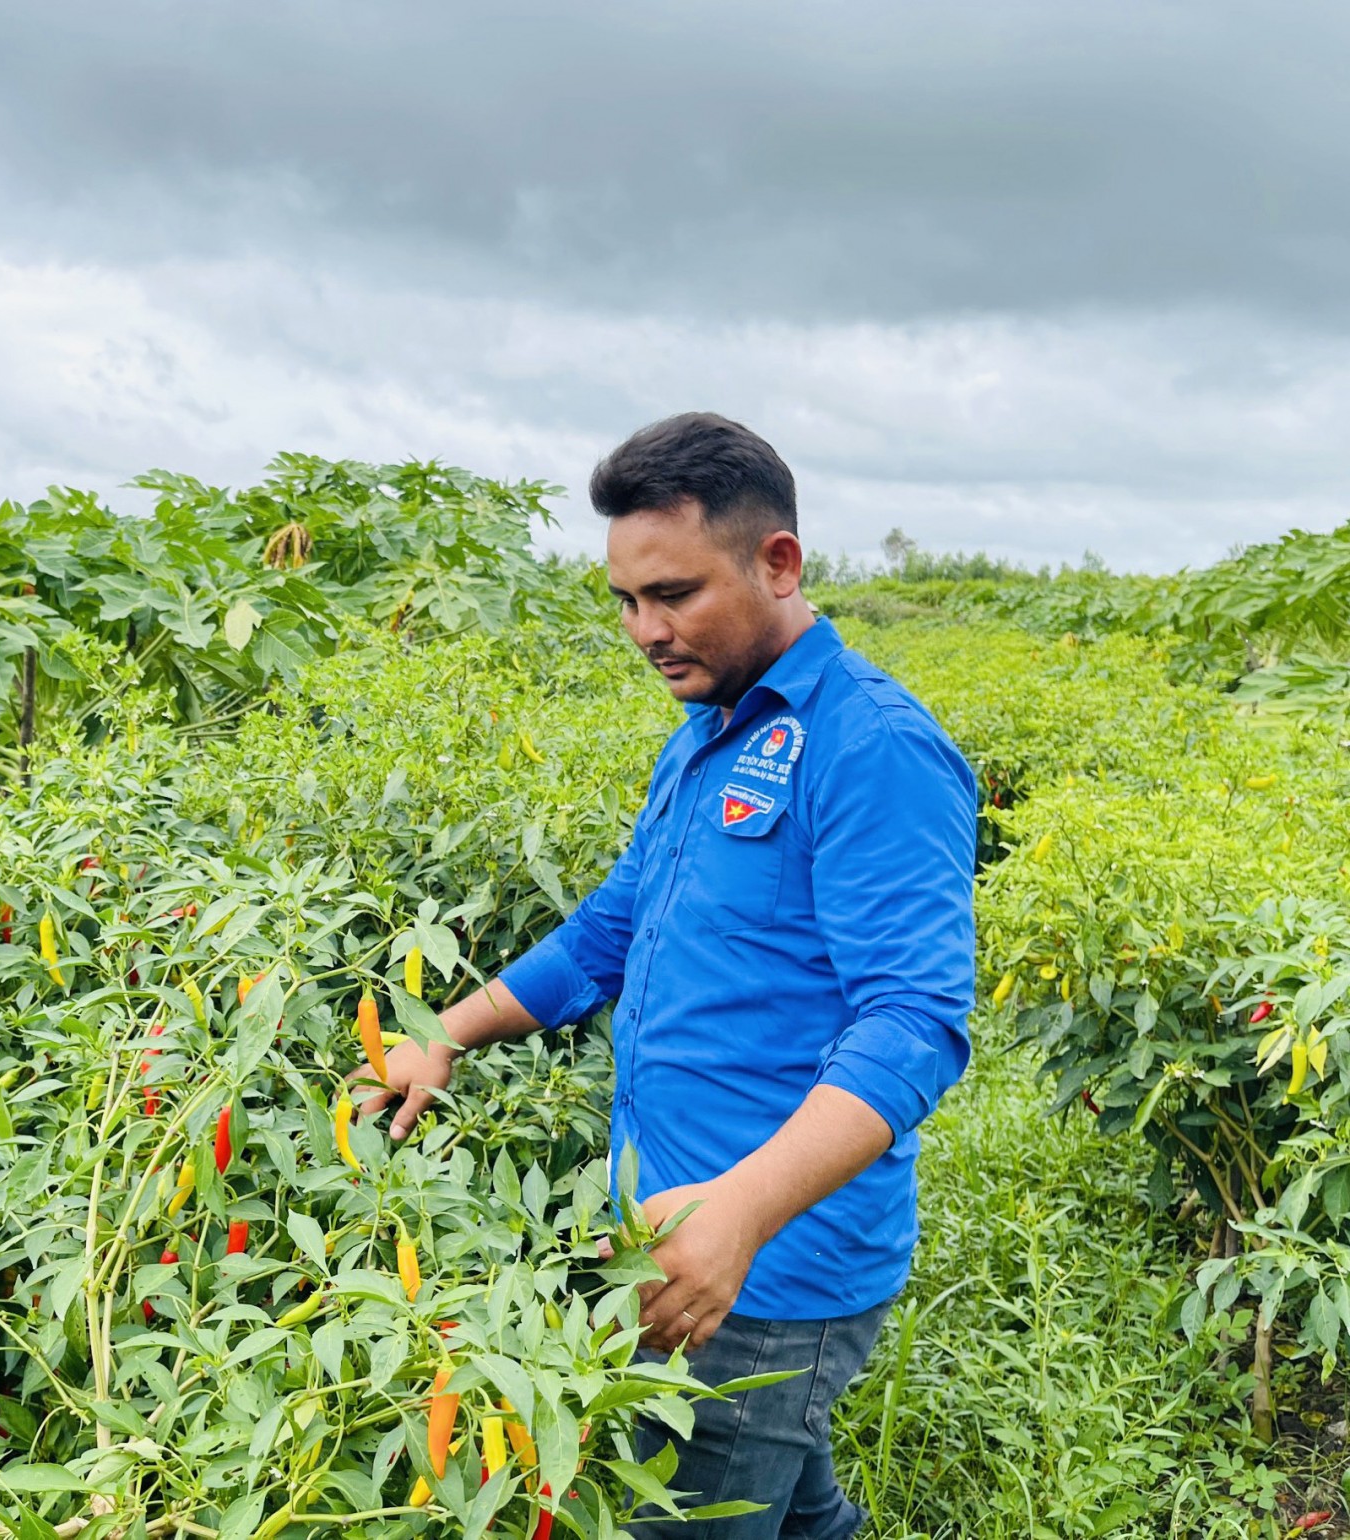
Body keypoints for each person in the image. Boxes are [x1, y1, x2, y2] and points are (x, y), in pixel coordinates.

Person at [353, 412, 975, 1538]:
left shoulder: (869, 744)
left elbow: (915, 1021)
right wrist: (446, 1029)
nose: (646, 630)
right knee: (793, 1506)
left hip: (761, 1271)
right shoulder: (706, 732)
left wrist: (739, 1211)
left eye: (675, 594)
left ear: (778, 562)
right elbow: (610, 930)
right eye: (627, 601)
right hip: (676, 1231)